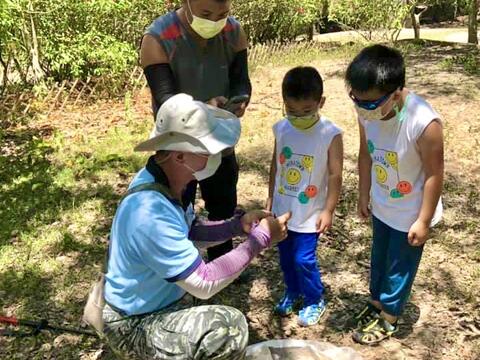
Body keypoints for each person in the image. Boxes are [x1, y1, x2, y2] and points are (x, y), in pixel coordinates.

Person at [102, 93, 291, 359]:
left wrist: (238, 227)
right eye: (207, 151)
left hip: (159, 303)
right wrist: (260, 239)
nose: (215, 156)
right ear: (180, 156)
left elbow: (190, 232)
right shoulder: (149, 213)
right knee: (227, 327)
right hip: (133, 323)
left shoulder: (169, 182)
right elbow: (203, 282)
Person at [346, 45, 444, 345]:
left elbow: (434, 175)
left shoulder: (425, 124)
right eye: (357, 100)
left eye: (371, 104)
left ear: (397, 92)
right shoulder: (368, 111)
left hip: (412, 212)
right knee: (379, 257)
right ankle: (376, 301)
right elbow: (365, 155)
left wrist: (424, 220)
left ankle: (389, 315)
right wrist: (363, 194)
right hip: (383, 205)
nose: (363, 109)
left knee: (399, 265)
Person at [140, 0, 252, 261]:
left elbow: (240, 81)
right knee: (177, 208)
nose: (214, 21)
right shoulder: (157, 38)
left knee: (223, 206)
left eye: (223, 14)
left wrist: (240, 99)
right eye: (205, 14)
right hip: (178, 147)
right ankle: (179, 263)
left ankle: (221, 260)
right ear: (184, 3)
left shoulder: (234, 32)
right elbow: (167, 101)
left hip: (219, 142)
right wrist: (204, 111)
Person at [266, 67, 344, 327]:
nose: (299, 117)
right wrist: (270, 201)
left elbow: (335, 175)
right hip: (282, 209)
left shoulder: (330, 133)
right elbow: (276, 166)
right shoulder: (281, 129)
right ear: (284, 103)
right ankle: (293, 291)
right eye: (292, 110)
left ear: (321, 102)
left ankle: (314, 299)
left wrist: (329, 210)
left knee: (303, 259)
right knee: (286, 257)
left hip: (311, 212)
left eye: (307, 111)